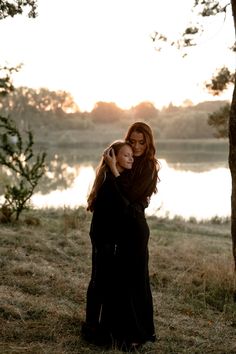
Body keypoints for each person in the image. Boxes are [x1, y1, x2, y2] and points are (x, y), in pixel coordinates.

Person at [82, 122, 160, 352]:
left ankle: (138, 333)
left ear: (148, 144)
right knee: (119, 283)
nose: (135, 148)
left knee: (136, 281)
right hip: (118, 233)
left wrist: (114, 169)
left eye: (141, 143)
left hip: (135, 232)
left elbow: (128, 199)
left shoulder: (148, 167)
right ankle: (114, 331)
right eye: (132, 142)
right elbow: (114, 202)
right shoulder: (124, 164)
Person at [82, 140, 134, 346]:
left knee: (100, 281)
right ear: (113, 158)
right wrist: (113, 169)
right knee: (98, 282)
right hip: (104, 238)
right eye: (126, 155)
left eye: (132, 155)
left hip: (107, 238)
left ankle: (96, 326)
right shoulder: (109, 179)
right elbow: (125, 207)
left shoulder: (115, 177)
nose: (131, 158)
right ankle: (91, 328)